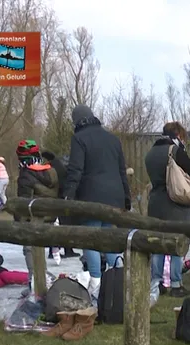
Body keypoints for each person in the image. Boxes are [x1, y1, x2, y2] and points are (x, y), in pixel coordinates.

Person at [61, 104, 131, 298]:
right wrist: (126, 197)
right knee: (108, 235)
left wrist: (68, 196)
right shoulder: (112, 139)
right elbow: (121, 171)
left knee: (90, 238)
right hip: (114, 195)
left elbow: (76, 170)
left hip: (91, 196)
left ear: (76, 120)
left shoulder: (79, 138)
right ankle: (118, 272)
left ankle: (96, 281)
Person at [146, 121, 190, 297]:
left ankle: (157, 282)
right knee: (178, 242)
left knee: (158, 243)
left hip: (155, 203)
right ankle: (176, 283)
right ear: (178, 135)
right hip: (174, 204)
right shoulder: (174, 151)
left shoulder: (150, 153)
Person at [14, 139, 59, 291]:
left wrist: (18, 221)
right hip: (50, 216)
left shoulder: (26, 176)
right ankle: (42, 279)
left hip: (33, 219)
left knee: (30, 249)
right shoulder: (51, 171)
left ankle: (34, 282)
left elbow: (23, 203)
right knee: (40, 249)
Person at [41, 150, 79, 260]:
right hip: (62, 198)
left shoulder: (51, 167)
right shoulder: (60, 167)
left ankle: (54, 251)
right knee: (65, 224)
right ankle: (67, 250)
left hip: (56, 198)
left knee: (56, 224)